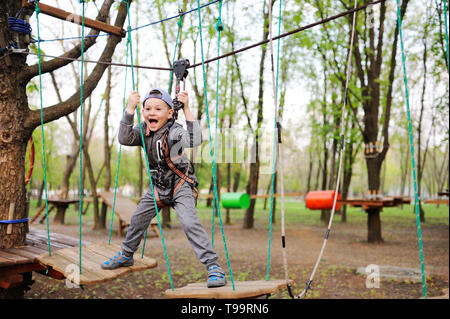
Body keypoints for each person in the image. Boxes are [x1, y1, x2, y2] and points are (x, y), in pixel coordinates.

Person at [100, 88, 227, 288]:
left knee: (189, 223)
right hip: (158, 187)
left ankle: (213, 266)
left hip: (180, 184)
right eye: (148, 108)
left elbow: (194, 140)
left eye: (158, 109)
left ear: (169, 114)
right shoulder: (143, 130)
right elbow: (124, 138)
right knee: (137, 218)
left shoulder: (174, 130)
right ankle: (126, 255)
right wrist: (130, 109)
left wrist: (186, 109)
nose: (152, 112)